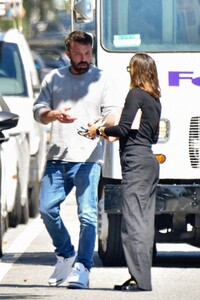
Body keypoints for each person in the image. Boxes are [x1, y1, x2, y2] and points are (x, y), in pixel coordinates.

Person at [33, 31, 117, 289]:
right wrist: (53, 114)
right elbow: (38, 112)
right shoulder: (54, 78)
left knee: (88, 216)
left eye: (87, 54)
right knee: (46, 209)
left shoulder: (102, 79)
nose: (83, 59)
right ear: (68, 53)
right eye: (78, 54)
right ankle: (66, 253)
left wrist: (103, 123)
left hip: (89, 158)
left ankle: (83, 266)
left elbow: (113, 113)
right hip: (58, 157)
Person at [87, 53, 162, 292]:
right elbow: (153, 136)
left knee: (133, 223)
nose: (128, 71)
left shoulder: (135, 94)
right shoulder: (154, 98)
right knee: (145, 221)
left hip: (135, 163)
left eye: (130, 68)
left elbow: (122, 128)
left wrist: (98, 130)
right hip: (148, 160)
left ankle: (140, 281)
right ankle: (139, 277)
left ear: (136, 70)